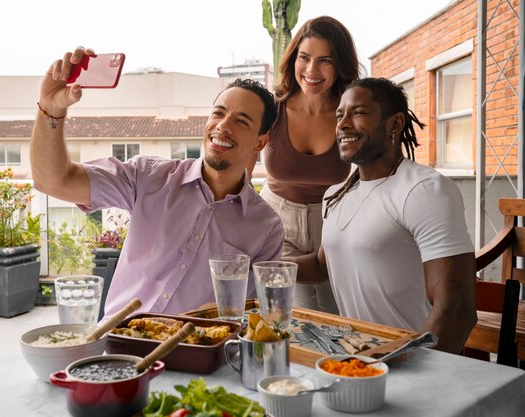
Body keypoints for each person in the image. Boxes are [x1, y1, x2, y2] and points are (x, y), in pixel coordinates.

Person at [30, 47, 284, 319]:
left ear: (260, 141)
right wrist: (51, 110)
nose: (223, 125)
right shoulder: (148, 176)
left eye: (241, 121)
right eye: (218, 113)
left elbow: (255, 318)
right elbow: (52, 181)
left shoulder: (265, 227)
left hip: (197, 353)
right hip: (120, 344)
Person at [293, 77, 477, 353]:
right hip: (356, 358)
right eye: (340, 115)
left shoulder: (424, 190)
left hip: (410, 362)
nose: (342, 125)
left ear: (395, 124)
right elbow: (323, 265)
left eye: (358, 113)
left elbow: (456, 310)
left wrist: (410, 370)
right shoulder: (335, 194)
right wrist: (258, 265)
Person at [258, 16, 360, 314]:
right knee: (297, 318)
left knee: (338, 319)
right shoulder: (272, 107)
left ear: (340, 64)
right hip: (279, 224)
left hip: (333, 225)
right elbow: (239, 165)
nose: (312, 70)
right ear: (293, 60)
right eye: (305, 58)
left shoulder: (351, 112)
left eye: (325, 60)